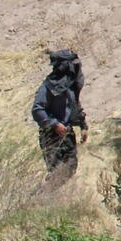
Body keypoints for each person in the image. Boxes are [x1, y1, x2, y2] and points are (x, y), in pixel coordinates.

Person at [30, 48, 88, 176]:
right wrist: (54, 124)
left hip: (67, 135)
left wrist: (83, 125)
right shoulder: (47, 86)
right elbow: (37, 109)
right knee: (57, 173)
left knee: (70, 169)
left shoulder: (70, 85)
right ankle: (46, 194)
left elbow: (74, 105)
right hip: (51, 137)